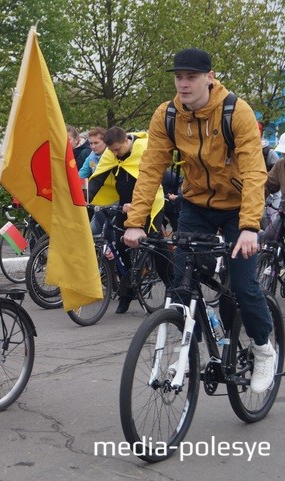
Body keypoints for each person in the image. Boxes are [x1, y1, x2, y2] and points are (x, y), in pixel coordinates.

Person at [124, 48, 276, 394]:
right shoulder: (167, 115)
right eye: (179, 77)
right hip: (196, 205)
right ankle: (186, 350)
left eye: (191, 77)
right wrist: (136, 221)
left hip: (239, 207)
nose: (183, 84)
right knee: (181, 284)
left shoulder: (235, 112)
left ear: (209, 77)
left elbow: (254, 171)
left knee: (242, 286)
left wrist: (251, 226)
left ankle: (263, 348)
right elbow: (150, 169)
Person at [87, 126, 170, 314]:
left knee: (156, 246)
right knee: (119, 246)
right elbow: (97, 180)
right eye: (112, 150)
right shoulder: (111, 153)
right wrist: (83, 201)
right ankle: (127, 292)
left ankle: (173, 288)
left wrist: (138, 204)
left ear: (126, 141)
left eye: (117, 149)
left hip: (150, 204)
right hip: (124, 206)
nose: (115, 154)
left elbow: (156, 177)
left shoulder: (145, 148)